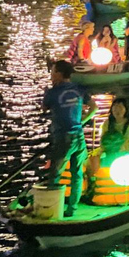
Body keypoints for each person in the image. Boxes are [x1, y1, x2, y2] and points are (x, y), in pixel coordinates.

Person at [44, 60, 97, 217]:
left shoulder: (54, 92)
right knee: (77, 173)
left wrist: (47, 92)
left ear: (59, 74)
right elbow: (94, 107)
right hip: (79, 136)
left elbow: (45, 107)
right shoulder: (78, 89)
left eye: (53, 71)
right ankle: (71, 209)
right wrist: (81, 122)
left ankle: (51, 210)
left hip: (63, 137)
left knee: (55, 174)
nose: (51, 74)